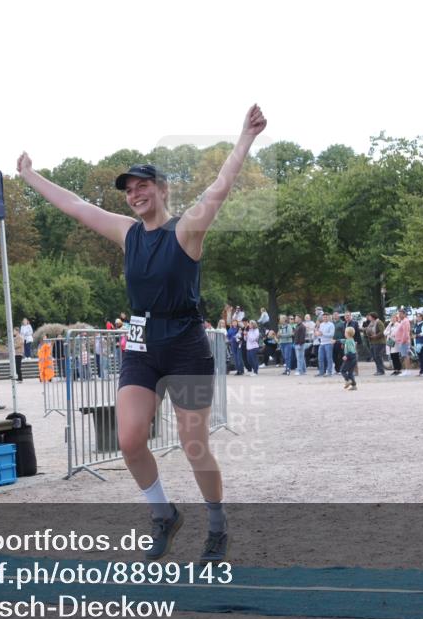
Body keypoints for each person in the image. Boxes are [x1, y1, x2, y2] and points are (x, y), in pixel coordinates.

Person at [16, 104, 267, 562]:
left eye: (142, 186)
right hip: (141, 346)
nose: (135, 194)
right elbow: (75, 206)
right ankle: (163, 514)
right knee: (130, 440)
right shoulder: (128, 234)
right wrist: (31, 177)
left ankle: (216, 522)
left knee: (195, 445)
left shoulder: (186, 230)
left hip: (187, 345)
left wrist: (244, 139)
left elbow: (220, 187)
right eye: (129, 190)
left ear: (161, 189)